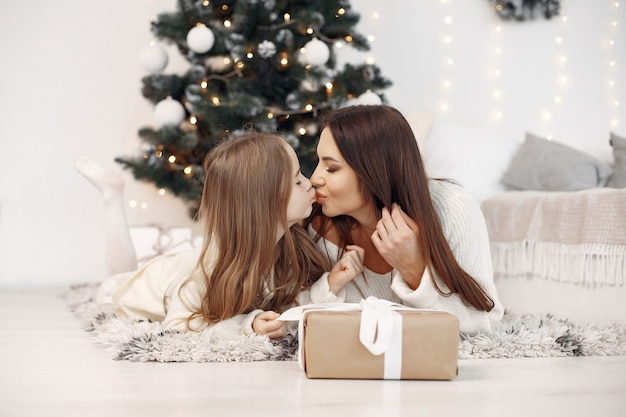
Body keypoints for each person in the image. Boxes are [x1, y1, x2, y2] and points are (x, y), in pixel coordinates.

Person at [75, 132, 364, 339]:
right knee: (117, 279)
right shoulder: (209, 270)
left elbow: (282, 306)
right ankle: (112, 196)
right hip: (126, 294)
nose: (310, 183)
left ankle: (113, 196)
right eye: (297, 179)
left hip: (173, 272)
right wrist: (246, 327)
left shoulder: (283, 246)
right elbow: (179, 326)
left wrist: (331, 283)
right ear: (264, 202)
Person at [304, 105, 504, 335]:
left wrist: (413, 268)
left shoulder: (452, 206)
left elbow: (486, 323)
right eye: (318, 163)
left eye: (331, 168)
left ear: (373, 171)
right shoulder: (319, 230)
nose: (314, 178)